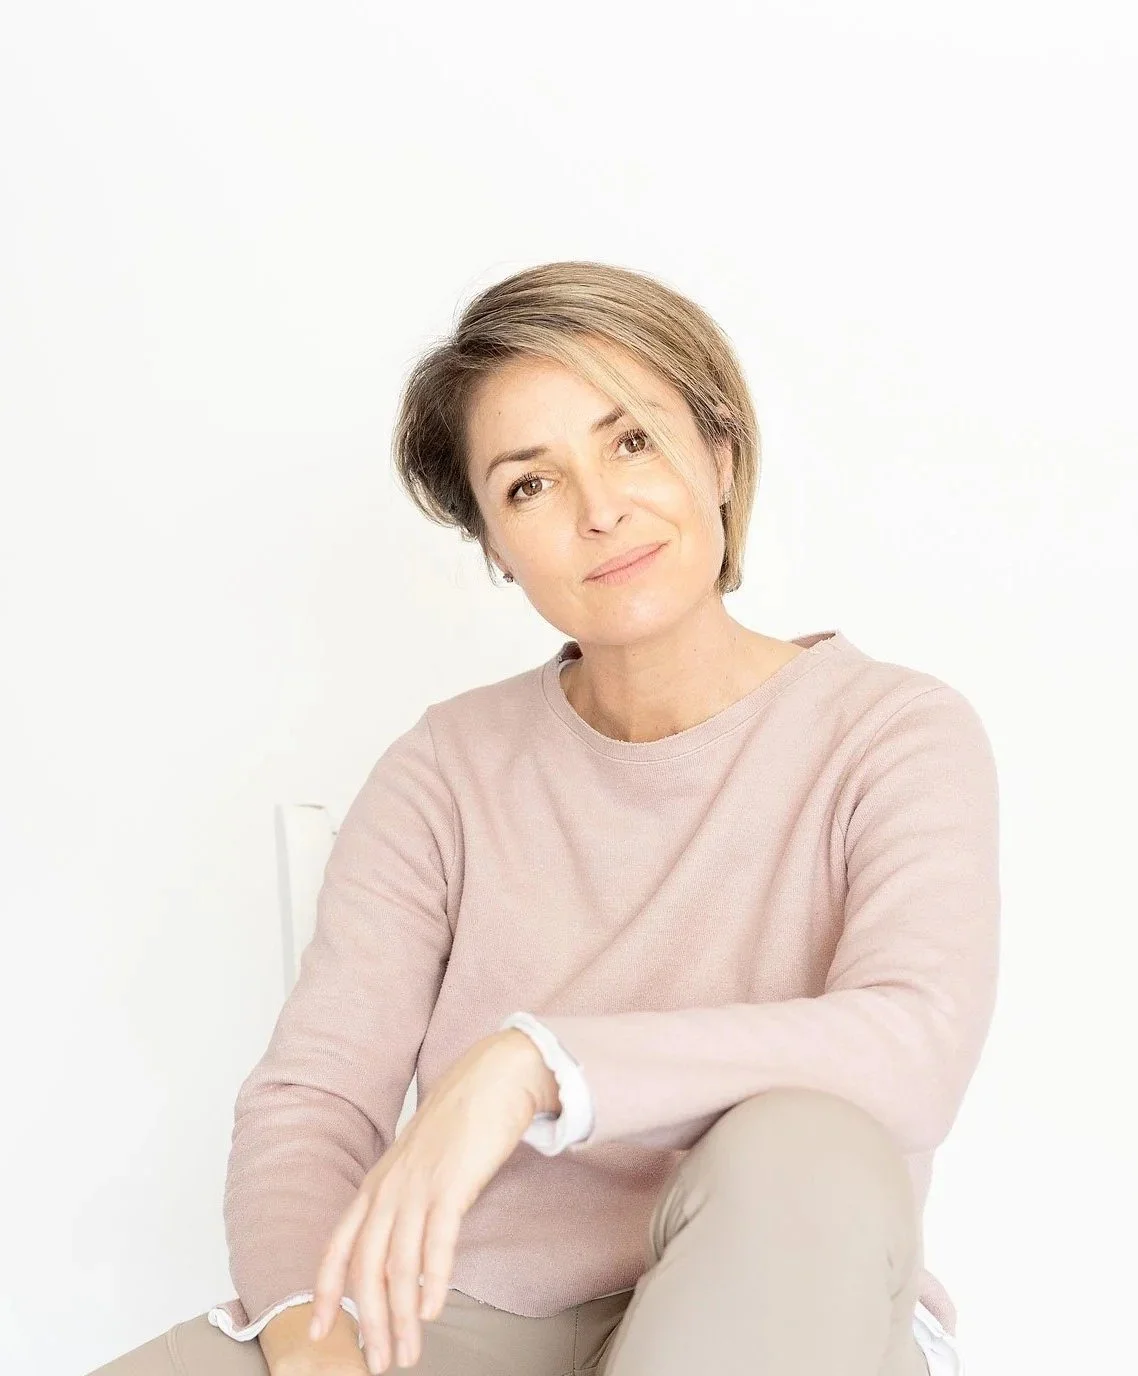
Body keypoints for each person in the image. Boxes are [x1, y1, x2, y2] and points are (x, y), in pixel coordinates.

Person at [88, 260, 998, 1376]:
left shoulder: (891, 730)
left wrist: (536, 1063)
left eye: (630, 441)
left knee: (804, 1141)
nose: (599, 509)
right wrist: (313, 1342)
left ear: (717, 451)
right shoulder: (443, 768)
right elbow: (309, 1102)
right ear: (495, 548)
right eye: (529, 485)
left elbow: (911, 1048)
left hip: (779, 1297)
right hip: (463, 1318)